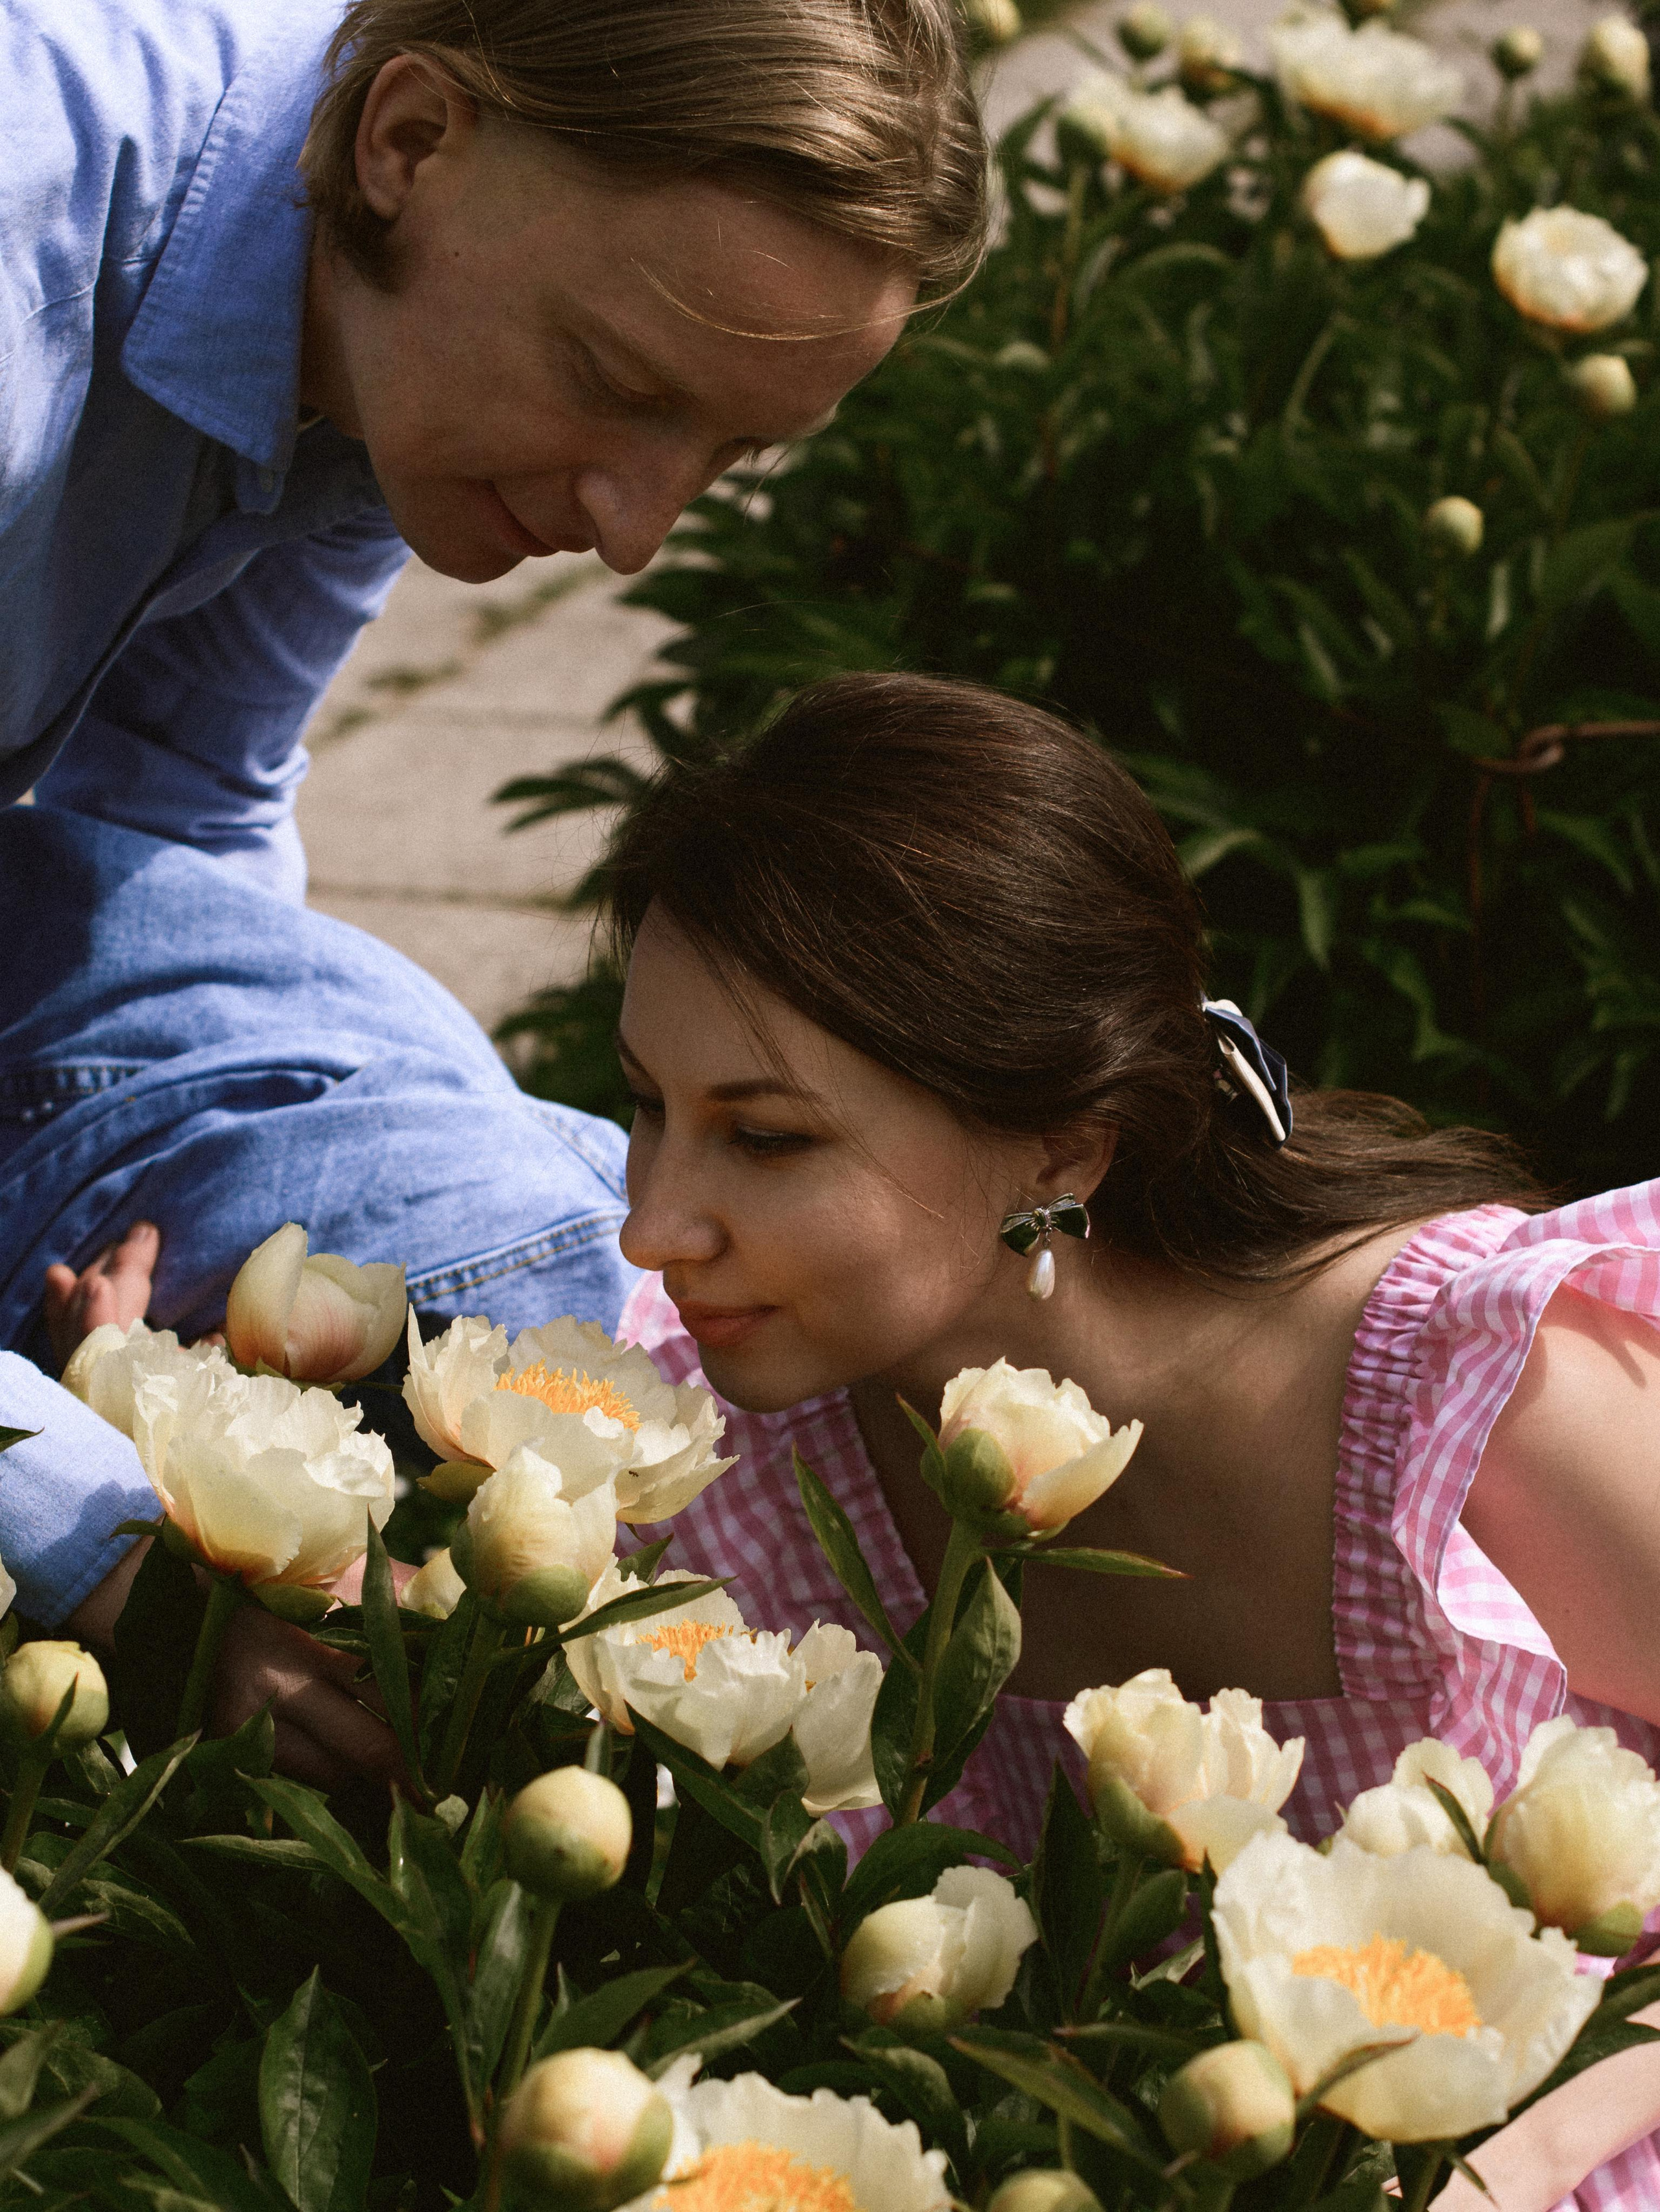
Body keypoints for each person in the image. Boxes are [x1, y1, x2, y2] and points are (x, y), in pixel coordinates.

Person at [1, 0, 983, 1754]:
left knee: (584, 1254)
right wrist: (118, 1539)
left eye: (729, 454)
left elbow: (176, 805)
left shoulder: (381, 304)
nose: (631, 526)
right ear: (407, 139)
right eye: (621, 384)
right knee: (523, 1286)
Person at [593, 672, 1660, 2204]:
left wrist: (1525, 2142)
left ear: (1063, 1140)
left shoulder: (1476, 1402)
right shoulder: (750, 1459)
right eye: (640, 1105)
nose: (654, 1221)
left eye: (766, 1137)